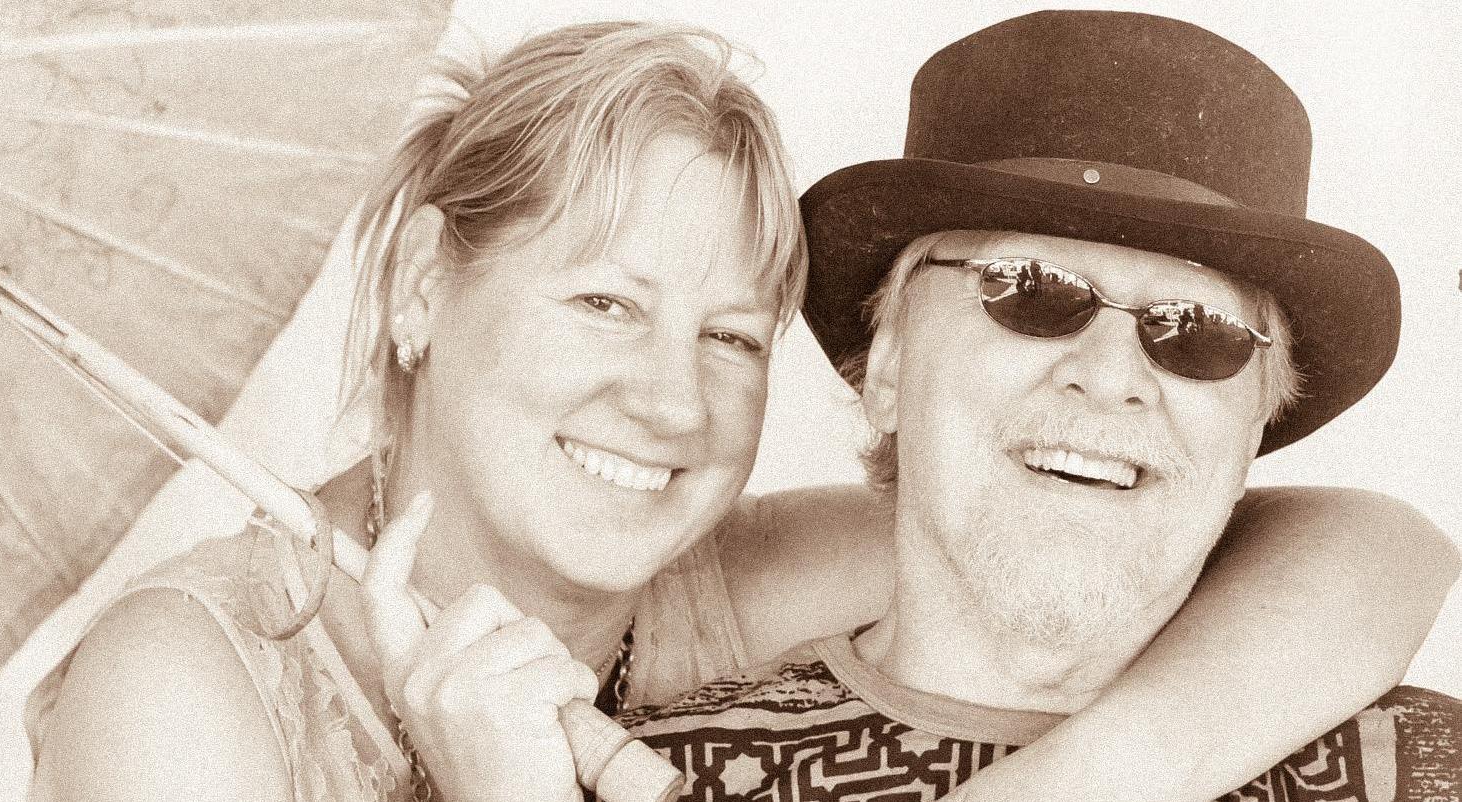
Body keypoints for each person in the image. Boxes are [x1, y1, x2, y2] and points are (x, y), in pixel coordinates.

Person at [21, 15, 1455, 802]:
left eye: (726, 335)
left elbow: (1349, 547)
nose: (667, 401)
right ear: (415, 286)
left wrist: (1098, 776)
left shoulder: (704, 584)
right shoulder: (179, 690)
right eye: (603, 302)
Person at [616, 11, 1462, 800]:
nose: (1112, 375)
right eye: (1030, 289)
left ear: (1253, 425)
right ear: (888, 365)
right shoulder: (646, 778)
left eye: (1199, 330)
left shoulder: (1429, 773)